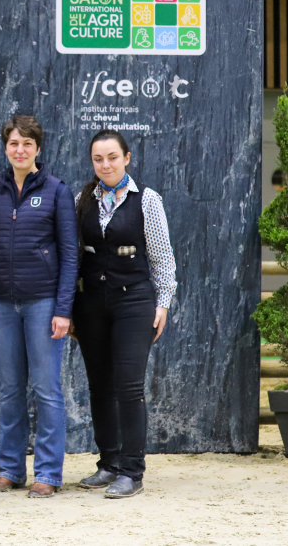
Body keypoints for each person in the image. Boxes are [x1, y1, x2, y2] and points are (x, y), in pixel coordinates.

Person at [0, 115, 78, 498]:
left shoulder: (56, 191)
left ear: (37, 148)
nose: (20, 150)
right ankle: (10, 470)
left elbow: (70, 255)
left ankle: (47, 473)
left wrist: (63, 309)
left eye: (27, 144)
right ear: (6, 148)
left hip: (43, 303)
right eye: (14, 143)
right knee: (10, 390)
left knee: (47, 389)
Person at [71, 129, 177, 498]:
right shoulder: (81, 200)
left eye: (113, 157)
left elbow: (162, 257)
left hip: (134, 302)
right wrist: (69, 309)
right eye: (98, 159)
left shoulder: (147, 199)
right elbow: (74, 257)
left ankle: (132, 471)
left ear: (127, 158)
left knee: (129, 386)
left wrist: (162, 304)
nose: (106, 165)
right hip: (90, 304)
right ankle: (109, 463)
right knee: (99, 385)